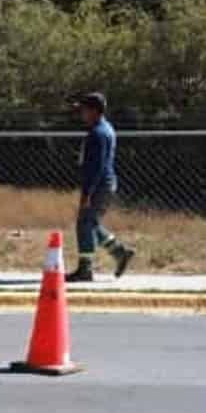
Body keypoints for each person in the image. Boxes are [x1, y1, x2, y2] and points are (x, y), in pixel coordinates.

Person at [70, 91, 135, 282]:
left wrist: (87, 193)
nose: (81, 113)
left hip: (99, 186)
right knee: (90, 223)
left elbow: (96, 167)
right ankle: (120, 253)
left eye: (83, 109)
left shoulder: (98, 133)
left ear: (94, 111)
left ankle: (85, 269)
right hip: (105, 184)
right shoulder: (105, 128)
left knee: (84, 223)